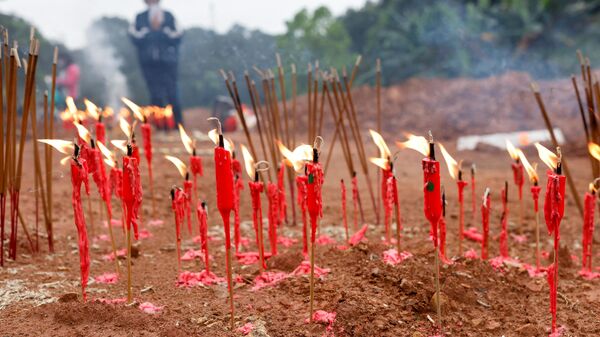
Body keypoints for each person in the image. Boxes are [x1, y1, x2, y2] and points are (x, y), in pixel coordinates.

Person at [129, 0, 183, 127]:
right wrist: (149, 32)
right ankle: (160, 124)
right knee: (155, 93)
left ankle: (178, 124)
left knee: (172, 92)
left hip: (168, 62)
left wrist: (162, 31)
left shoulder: (168, 15)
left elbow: (178, 35)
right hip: (148, 63)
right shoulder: (140, 17)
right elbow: (134, 37)